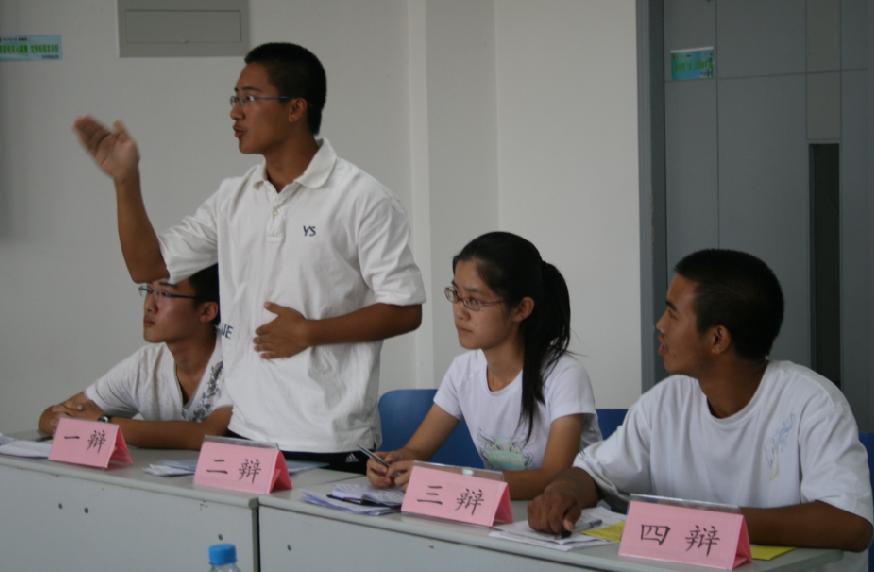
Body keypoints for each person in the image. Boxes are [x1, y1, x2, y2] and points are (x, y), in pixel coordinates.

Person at [71, 42, 425, 473]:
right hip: (244, 433)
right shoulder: (233, 197)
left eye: (249, 99)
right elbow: (149, 267)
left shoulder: (361, 197)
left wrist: (309, 332)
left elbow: (406, 309)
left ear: (295, 108)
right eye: (235, 98)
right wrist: (126, 180)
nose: (235, 112)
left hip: (328, 439)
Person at [528, 249, 873, 555]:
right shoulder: (666, 401)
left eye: (672, 314)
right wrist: (563, 492)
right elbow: (592, 473)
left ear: (718, 338)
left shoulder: (812, 403)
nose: (659, 325)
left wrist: (709, 524)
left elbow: (851, 524)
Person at [367, 232, 601, 499]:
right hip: (505, 515)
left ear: (521, 309)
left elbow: (554, 477)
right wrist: (393, 462)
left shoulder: (564, 376)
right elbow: (417, 451)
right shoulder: (462, 371)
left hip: (572, 518)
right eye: (456, 294)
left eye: (474, 300)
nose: (459, 311)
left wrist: (457, 480)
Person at [38, 265, 231, 449]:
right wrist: (67, 420)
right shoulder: (145, 365)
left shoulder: (238, 362)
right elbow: (49, 417)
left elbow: (208, 434)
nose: (149, 306)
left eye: (165, 294)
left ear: (206, 311)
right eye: (148, 290)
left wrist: (103, 423)